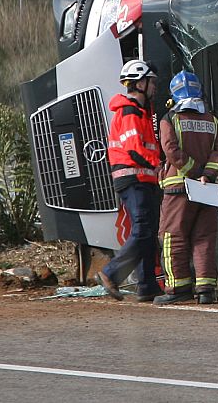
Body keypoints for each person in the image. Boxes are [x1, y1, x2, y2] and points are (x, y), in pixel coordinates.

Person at [154, 70, 218, 305]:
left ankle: (178, 288)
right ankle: (205, 289)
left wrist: (194, 172)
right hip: (207, 190)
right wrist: (207, 174)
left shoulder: (170, 119)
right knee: (204, 238)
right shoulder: (212, 120)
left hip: (178, 188)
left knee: (172, 237)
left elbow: (171, 149)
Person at [96, 60, 163, 302]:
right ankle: (111, 272)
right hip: (134, 178)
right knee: (144, 230)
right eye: (152, 82)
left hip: (143, 178)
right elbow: (134, 150)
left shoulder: (141, 112)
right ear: (140, 83)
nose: (155, 86)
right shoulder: (130, 112)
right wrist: (158, 163)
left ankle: (147, 286)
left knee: (147, 231)